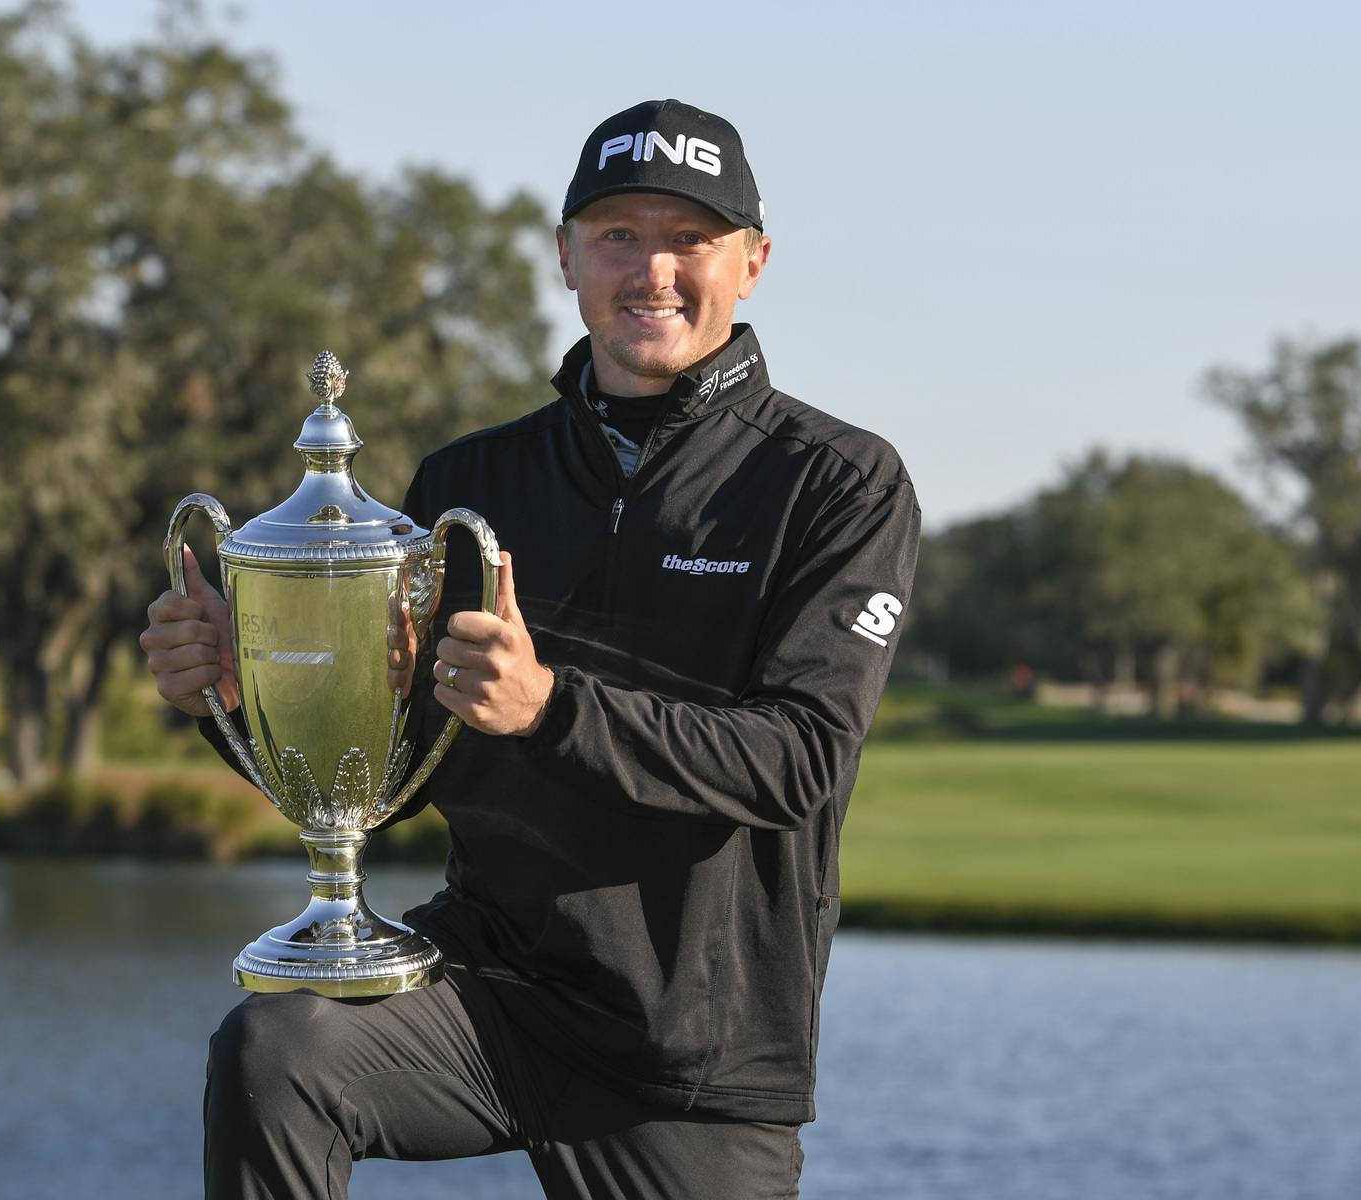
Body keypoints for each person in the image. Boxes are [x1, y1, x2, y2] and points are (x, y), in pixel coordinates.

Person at [141, 98, 920, 1200]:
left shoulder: (838, 483)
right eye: (617, 236)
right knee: (279, 1054)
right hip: (486, 990)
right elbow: (392, 777)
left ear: (753, 262)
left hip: (690, 1053)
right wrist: (247, 684)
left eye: (688, 239)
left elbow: (798, 759)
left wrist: (552, 707)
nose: (652, 270)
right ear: (565, 258)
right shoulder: (471, 485)